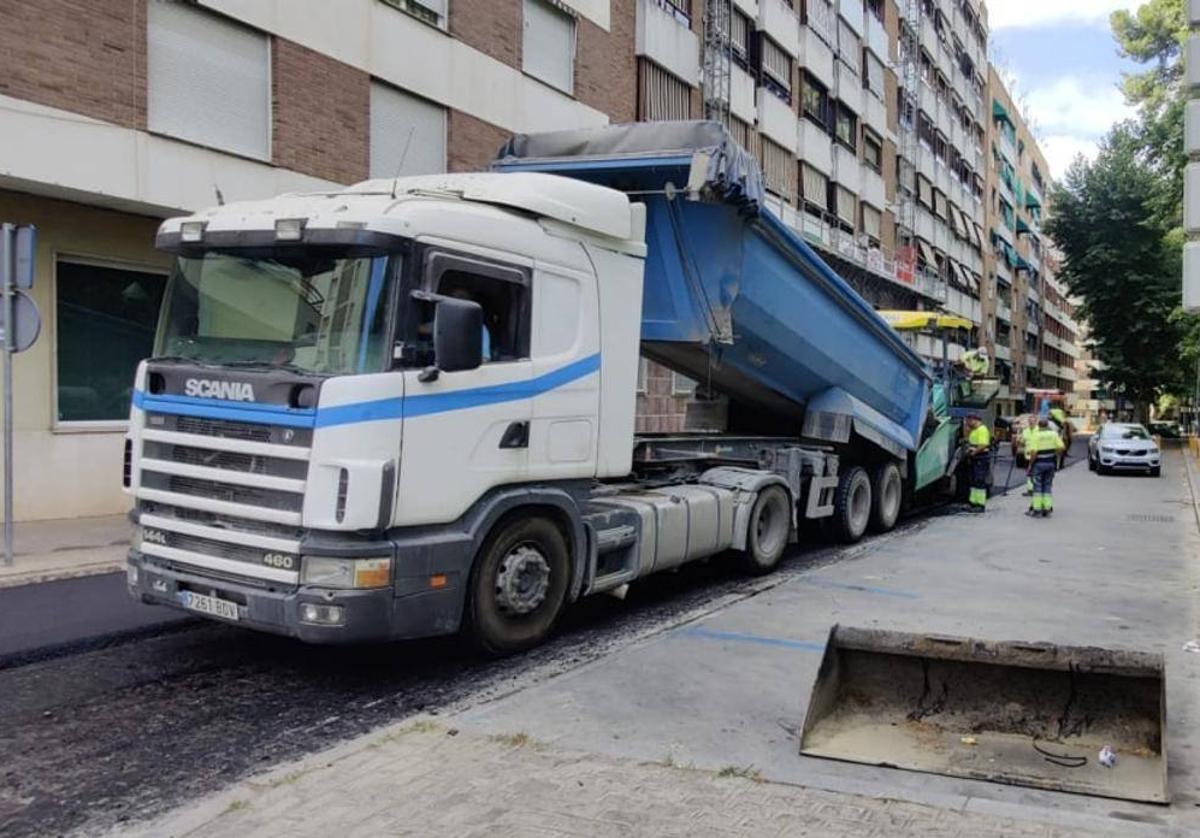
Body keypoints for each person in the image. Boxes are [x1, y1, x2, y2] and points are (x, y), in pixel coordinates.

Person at [1026, 417, 1065, 518]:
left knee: (1037, 486)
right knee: (1047, 485)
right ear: (1047, 425)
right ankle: (1047, 509)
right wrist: (1053, 454)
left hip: (1039, 464)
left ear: (1038, 425)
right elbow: (1061, 447)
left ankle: (1037, 510)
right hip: (1050, 463)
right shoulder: (1053, 434)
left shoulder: (1036, 435)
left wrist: (1030, 464)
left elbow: (1034, 452)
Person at [964, 415, 992, 513]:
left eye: (968, 421)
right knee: (973, 480)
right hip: (975, 458)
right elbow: (969, 441)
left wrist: (974, 452)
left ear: (974, 420)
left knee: (979, 480)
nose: (967, 423)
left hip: (981, 458)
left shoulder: (982, 430)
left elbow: (983, 444)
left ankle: (980, 504)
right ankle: (973, 502)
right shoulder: (974, 430)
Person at [1020, 421, 1035, 499]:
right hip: (1027, 455)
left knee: (1035, 473)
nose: (1031, 423)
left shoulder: (1038, 430)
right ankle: (1030, 489)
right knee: (1029, 473)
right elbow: (1022, 442)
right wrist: (1020, 442)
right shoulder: (1025, 431)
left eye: (1033, 422)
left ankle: (1035, 489)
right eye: (1030, 422)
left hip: (1036, 455)